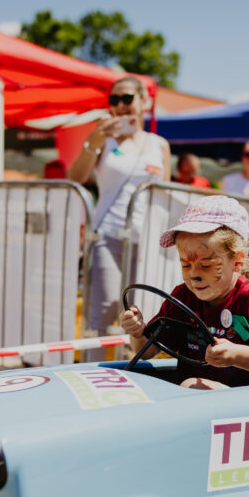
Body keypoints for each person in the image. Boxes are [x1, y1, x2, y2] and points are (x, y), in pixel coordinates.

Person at [119, 195, 249, 389]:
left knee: (191, 385)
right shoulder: (183, 298)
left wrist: (237, 355)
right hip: (199, 401)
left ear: (237, 261)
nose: (194, 275)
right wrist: (137, 332)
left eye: (206, 265)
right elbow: (146, 351)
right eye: (186, 264)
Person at [68, 76, 171, 347]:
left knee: (143, 313)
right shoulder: (103, 139)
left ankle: (134, 366)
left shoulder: (159, 144)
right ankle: (94, 369)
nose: (121, 105)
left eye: (127, 98)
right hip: (108, 234)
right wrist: (95, 139)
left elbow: (166, 194)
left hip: (147, 239)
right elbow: (75, 177)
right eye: (114, 99)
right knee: (103, 311)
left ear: (143, 101)